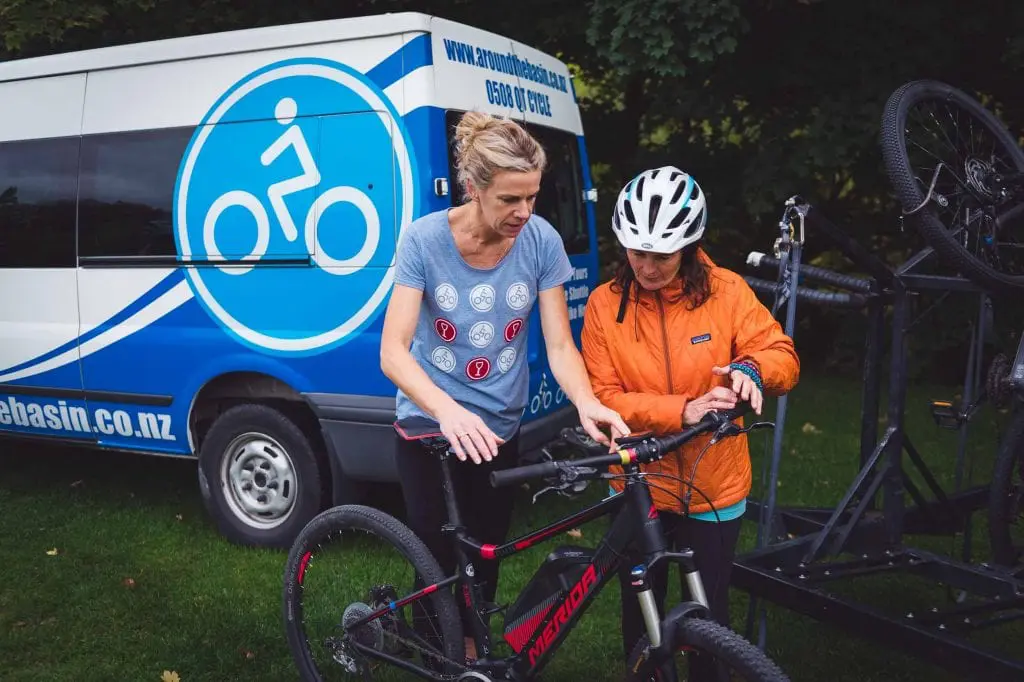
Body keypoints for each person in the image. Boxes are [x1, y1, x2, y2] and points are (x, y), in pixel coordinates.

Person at [380, 110, 630, 660]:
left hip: (499, 427)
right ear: (475, 188)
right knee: (437, 558)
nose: (524, 212)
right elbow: (394, 353)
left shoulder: (540, 241)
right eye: (510, 200)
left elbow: (560, 345)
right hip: (430, 422)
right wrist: (448, 411)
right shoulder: (424, 241)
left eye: (533, 197)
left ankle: (467, 652)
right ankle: (435, 653)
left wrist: (587, 403)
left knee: (486, 556)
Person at [580, 166, 800, 679]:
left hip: (714, 485)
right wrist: (684, 411)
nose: (648, 267)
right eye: (637, 252)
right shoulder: (603, 305)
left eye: (662, 254)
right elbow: (603, 397)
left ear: (690, 246)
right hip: (638, 485)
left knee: (708, 619)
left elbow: (781, 355)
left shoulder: (727, 291)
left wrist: (751, 369)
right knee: (640, 616)